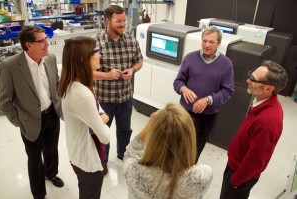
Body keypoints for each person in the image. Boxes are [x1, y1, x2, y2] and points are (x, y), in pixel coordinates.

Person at [0, 26, 64, 199]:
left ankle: (51, 174)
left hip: (51, 114)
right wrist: (20, 121)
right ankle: (39, 193)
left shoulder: (50, 58)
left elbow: (55, 85)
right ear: (28, 45)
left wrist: (58, 106)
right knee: (34, 158)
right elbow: (3, 101)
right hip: (29, 120)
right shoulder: (10, 66)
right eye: (41, 40)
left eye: (46, 39)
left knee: (52, 150)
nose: (46, 43)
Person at [219, 61, 288, 199]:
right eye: (252, 75)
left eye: (254, 79)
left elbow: (255, 161)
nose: (248, 80)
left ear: (269, 89)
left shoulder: (267, 122)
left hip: (239, 175)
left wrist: (236, 181)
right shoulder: (264, 102)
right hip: (236, 166)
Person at [124, 102, 213, 199]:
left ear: (153, 139)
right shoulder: (203, 175)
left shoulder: (133, 171)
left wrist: (150, 123)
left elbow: (130, 152)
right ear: (190, 139)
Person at [93, 5, 143, 173]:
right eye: (118, 21)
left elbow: (139, 61)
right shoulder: (95, 42)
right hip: (104, 98)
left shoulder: (131, 41)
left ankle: (123, 153)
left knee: (125, 129)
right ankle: (103, 160)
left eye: (124, 21)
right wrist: (107, 75)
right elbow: (86, 72)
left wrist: (133, 70)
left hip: (125, 97)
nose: (122, 24)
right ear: (107, 20)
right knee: (102, 131)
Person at [59, 36, 111, 199]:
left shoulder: (75, 84)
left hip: (78, 153)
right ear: (83, 59)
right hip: (88, 161)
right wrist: (103, 119)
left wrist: (100, 116)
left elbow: (96, 108)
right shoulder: (81, 93)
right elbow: (105, 137)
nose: (100, 55)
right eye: (95, 51)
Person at [173, 26, 234, 162]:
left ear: (219, 43)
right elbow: (178, 81)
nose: (207, 45)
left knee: (195, 148)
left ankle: (188, 174)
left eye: (211, 42)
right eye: (204, 40)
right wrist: (183, 88)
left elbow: (228, 91)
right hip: (184, 112)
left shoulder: (226, 64)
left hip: (207, 117)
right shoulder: (190, 58)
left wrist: (208, 100)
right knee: (177, 144)